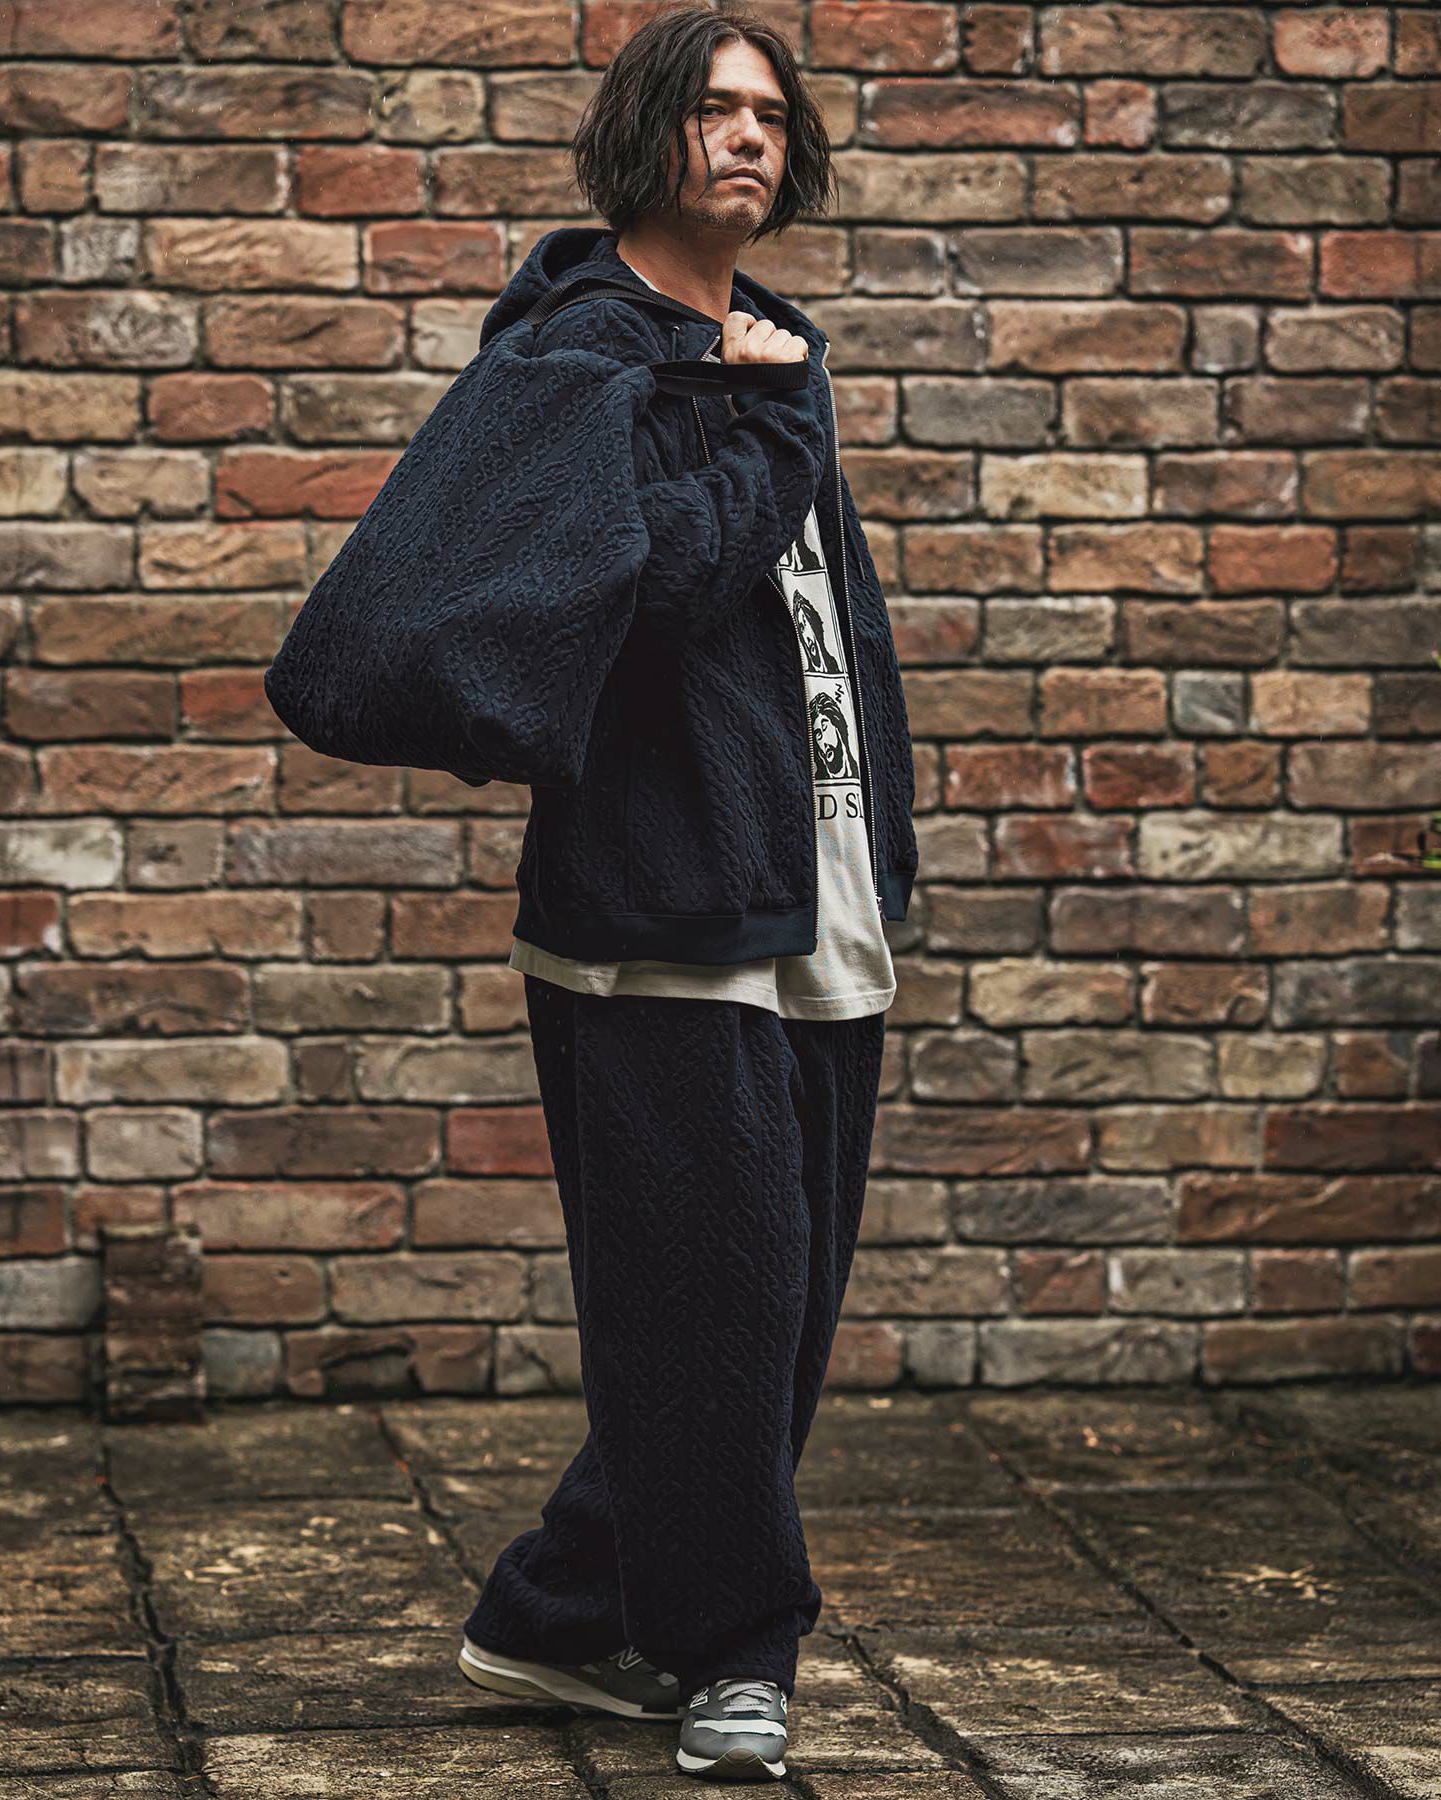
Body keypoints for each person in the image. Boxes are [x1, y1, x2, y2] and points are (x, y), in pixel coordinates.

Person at [453, 4, 918, 1783]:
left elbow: (811, 616)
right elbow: (657, 579)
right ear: (645, 131)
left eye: (771, 115)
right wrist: (778, 417)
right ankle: (737, 1655)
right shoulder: (584, 352)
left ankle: (560, 1612)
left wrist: (873, 834)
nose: (748, 137)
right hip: (657, 906)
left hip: (810, 885)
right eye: (714, 109)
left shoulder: (767, 341)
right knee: (714, 1306)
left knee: (767, 1315)